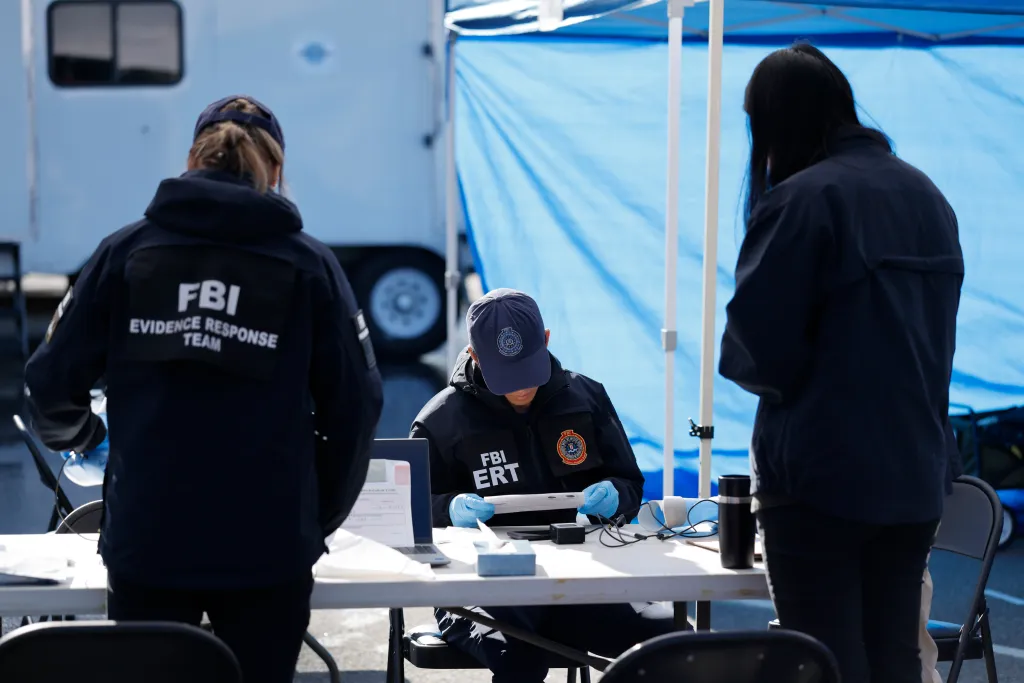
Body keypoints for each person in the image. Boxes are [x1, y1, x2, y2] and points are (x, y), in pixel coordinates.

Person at [24, 95, 384, 683]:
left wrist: (88, 438)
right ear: (277, 171)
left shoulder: (127, 253)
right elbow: (358, 406)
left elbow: (47, 388)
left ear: (192, 159)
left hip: (150, 540)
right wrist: (315, 514)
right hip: (268, 548)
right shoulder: (307, 264)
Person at [718, 43, 963, 683]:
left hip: (820, 479)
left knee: (825, 663)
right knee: (894, 659)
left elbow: (755, 357)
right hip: (915, 472)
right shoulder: (926, 196)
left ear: (777, 121)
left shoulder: (803, 200)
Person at [411, 288, 674, 683]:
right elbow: (406, 512)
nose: (520, 389)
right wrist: (447, 509)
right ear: (475, 355)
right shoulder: (440, 421)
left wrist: (615, 495)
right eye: (506, 376)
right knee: (520, 655)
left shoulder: (585, 397)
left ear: (547, 340)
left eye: (527, 372)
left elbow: (630, 484)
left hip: (581, 577)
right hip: (478, 590)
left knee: (667, 641)